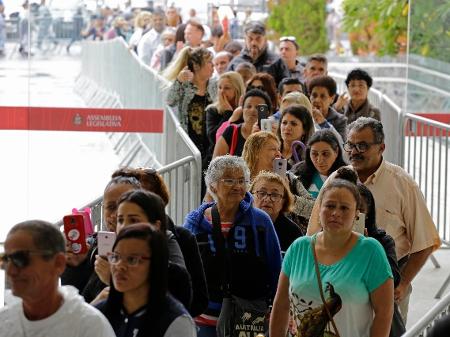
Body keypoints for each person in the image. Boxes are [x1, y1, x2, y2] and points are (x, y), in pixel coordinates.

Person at [308, 117, 441, 323]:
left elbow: (424, 243)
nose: (354, 151)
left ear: (381, 147)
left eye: (362, 145)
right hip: (338, 283)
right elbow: (314, 234)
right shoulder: (336, 180)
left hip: (388, 283)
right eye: (350, 145)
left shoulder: (403, 184)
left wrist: (403, 284)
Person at [270, 179, 394, 337]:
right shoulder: (298, 248)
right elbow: (281, 306)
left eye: (344, 208)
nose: (336, 213)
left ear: (357, 214)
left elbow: (384, 313)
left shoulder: (370, 251)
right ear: (319, 209)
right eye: (330, 206)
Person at [183, 155, 282, 336]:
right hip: (203, 319)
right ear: (213, 185)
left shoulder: (260, 221)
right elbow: (185, 271)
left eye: (241, 180)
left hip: (248, 318)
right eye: (229, 180)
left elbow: (275, 269)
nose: (237, 186)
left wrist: (275, 308)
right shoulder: (194, 224)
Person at [0, 220, 115, 337]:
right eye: (5, 259)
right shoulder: (4, 321)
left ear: (58, 263)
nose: (10, 271)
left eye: (20, 259)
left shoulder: (90, 326)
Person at [96, 224, 196, 337]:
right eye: (116, 257)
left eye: (132, 259)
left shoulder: (176, 322)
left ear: (155, 264)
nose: (120, 266)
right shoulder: (99, 313)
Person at [242, 131, 315, 233]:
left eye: (279, 150)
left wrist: (288, 194)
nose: (279, 154)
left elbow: (314, 210)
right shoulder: (241, 183)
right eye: (273, 149)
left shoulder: (289, 178)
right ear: (256, 152)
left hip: (287, 237)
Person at [164, 46, 216, 170]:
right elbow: (170, 101)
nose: (213, 65)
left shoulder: (216, 85)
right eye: (209, 62)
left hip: (211, 146)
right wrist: (178, 81)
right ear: (197, 66)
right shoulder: (185, 86)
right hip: (189, 146)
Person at [250, 171, 303, 253]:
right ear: (251, 196)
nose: (267, 199)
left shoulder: (293, 232)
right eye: (262, 193)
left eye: (274, 195)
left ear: (283, 201)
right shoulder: (240, 224)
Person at [212, 88, 271, 158]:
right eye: (248, 106)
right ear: (242, 110)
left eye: (259, 108)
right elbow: (215, 164)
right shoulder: (231, 131)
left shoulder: (271, 136)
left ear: (267, 113)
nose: (252, 110)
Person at [227, 21, 289, 86]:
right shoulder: (235, 63)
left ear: (265, 40)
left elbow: (286, 88)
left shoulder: (277, 62)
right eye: (250, 39)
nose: (254, 43)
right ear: (245, 40)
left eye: (258, 39)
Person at [292, 129, 347, 198]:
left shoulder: (347, 176)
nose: (319, 160)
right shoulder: (297, 173)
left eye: (325, 154)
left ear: (336, 151)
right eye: (314, 154)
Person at [205, 71, 245, 158]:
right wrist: (229, 113)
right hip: (218, 158)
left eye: (227, 88)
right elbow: (213, 138)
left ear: (237, 89)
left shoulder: (245, 110)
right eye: (220, 87)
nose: (222, 91)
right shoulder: (212, 110)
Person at [309, 75, 348, 142]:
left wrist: (323, 123)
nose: (317, 100)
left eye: (323, 96)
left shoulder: (340, 120)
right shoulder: (304, 116)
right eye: (314, 95)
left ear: (332, 99)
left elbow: (341, 145)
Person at [277, 104, 315, 169]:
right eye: (284, 123)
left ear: (305, 130)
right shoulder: (272, 148)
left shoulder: (309, 156)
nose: (287, 127)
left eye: (293, 124)